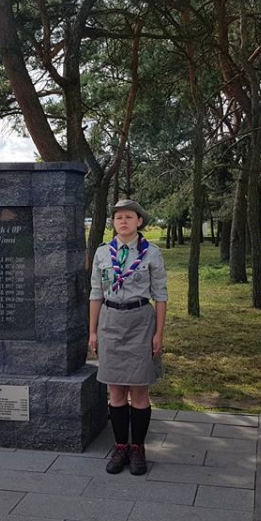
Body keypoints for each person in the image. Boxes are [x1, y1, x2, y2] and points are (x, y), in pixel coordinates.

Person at [89, 199, 167, 476]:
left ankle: (138, 448)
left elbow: (160, 296)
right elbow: (96, 293)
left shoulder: (151, 253)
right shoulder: (102, 253)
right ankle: (121, 446)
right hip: (110, 322)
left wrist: (159, 333)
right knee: (116, 391)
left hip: (140, 323)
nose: (123, 221)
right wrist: (92, 331)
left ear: (139, 221)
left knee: (139, 390)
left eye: (129, 216)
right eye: (118, 217)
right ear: (113, 222)